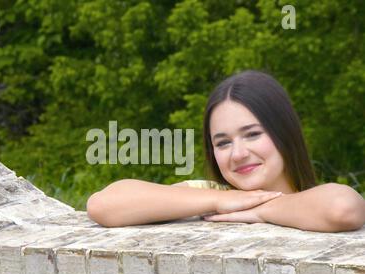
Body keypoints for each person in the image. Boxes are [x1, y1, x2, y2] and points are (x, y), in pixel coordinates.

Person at [86, 70, 365, 232]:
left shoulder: (313, 200)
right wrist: (220, 200)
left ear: (284, 132)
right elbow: (103, 205)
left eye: (253, 134)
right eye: (223, 142)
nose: (238, 153)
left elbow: (343, 208)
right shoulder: (211, 196)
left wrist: (260, 209)